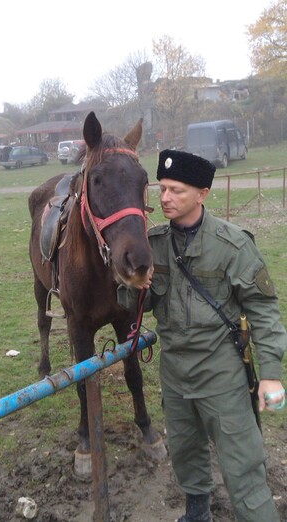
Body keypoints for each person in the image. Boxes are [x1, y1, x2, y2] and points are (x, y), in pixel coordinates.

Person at [118, 149, 286, 522]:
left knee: (243, 465)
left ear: (203, 193)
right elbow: (137, 304)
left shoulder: (232, 245)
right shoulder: (154, 243)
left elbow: (263, 310)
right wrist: (132, 284)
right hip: (175, 376)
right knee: (185, 449)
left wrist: (271, 374)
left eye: (176, 190)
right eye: (161, 189)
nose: (165, 198)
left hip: (220, 376)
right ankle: (197, 511)